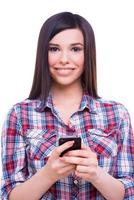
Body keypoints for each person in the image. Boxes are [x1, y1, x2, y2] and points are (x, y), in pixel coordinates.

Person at [1, 11, 134, 200]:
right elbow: (9, 194)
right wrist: (49, 174)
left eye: (75, 49)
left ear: (87, 53)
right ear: (43, 53)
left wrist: (96, 174)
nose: (64, 59)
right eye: (54, 49)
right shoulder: (20, 114)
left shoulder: (116, 114)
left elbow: (128, 191)